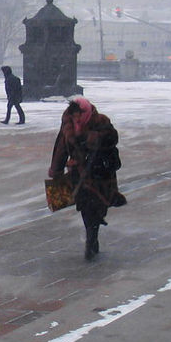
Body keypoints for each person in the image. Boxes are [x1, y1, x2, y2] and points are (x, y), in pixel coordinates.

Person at [48, 97, 125, 260]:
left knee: (98, 204)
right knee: (85, 205)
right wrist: (56, 170)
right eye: (74, 114)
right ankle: (91, 238)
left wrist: (92, 138)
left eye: (80, 114)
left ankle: (94, 232)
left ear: (86, 111)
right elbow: (61, 148)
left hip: (100, 171)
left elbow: (112, 138)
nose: (77, 118)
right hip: (79, 172)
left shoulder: (101, 120)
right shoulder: (68, 126)